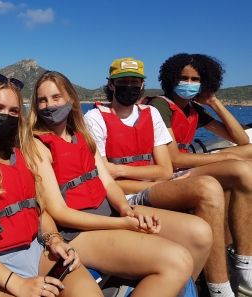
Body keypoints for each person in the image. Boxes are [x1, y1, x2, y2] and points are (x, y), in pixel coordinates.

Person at [29, 70, 204, 297]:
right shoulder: (38, 146)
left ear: (71, 99)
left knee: (199, 234)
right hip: (77, 233)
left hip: (111, 213)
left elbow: (109, 184)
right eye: (42, 100)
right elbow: (59, 212)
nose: (49, 105)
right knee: (177, 260)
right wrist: (123, 224)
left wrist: (126, 209)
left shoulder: (82, 136)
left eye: (56, 97)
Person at [84, 57, 244, 297]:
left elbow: (165, 169)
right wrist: (145, 177)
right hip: (125, 196)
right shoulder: (95, 119)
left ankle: (204, 285)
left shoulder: (150, 114)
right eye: (122, 82)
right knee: (207, 188)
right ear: (111, 85)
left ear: (142, 86)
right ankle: (219, 289)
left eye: (134, 82)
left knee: (219, 188)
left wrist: (119, 170)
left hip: (154, 186)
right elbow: (106, 179)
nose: (129, 87)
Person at [0, 73, 102, 297]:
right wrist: (17, 284)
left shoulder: (24, 154)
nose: (5, 116)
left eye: (13, 111)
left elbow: (40, 212)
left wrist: (55, 241)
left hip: (38, 253)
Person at [146, 53, 252, 296]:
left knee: (247, 155)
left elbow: (240, 138)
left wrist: (214, 102)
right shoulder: (161, 106)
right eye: (184, 78)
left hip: (186, 167)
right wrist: (225, 158)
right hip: (172, 172)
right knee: (239, 168)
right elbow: (173, 158)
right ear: (171, 78)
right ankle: (241, 270)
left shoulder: (193, 110)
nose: (189, 83)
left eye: (196, 79)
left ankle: (243, 259)